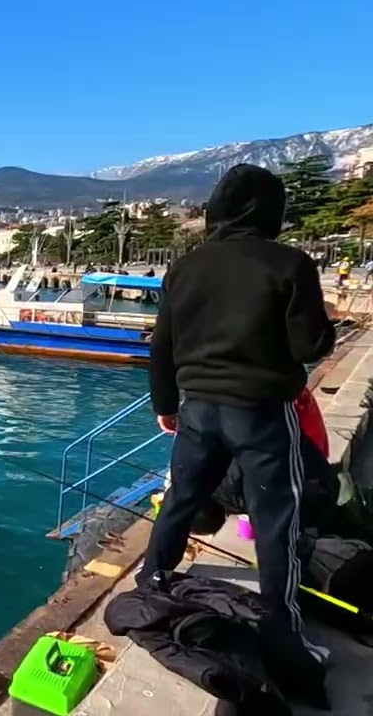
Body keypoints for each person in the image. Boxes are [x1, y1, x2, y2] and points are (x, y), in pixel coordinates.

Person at [141, 164, 337, 698]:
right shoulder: (290, 264)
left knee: (181, 499)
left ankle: (153, 581)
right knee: (277, 521)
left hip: (198, 409)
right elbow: (308, 348)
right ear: (271, 211)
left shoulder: (183, 268)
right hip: (262, 413)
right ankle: (283, 633)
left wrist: (166, 404)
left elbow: (161, 347)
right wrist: (328, 323)